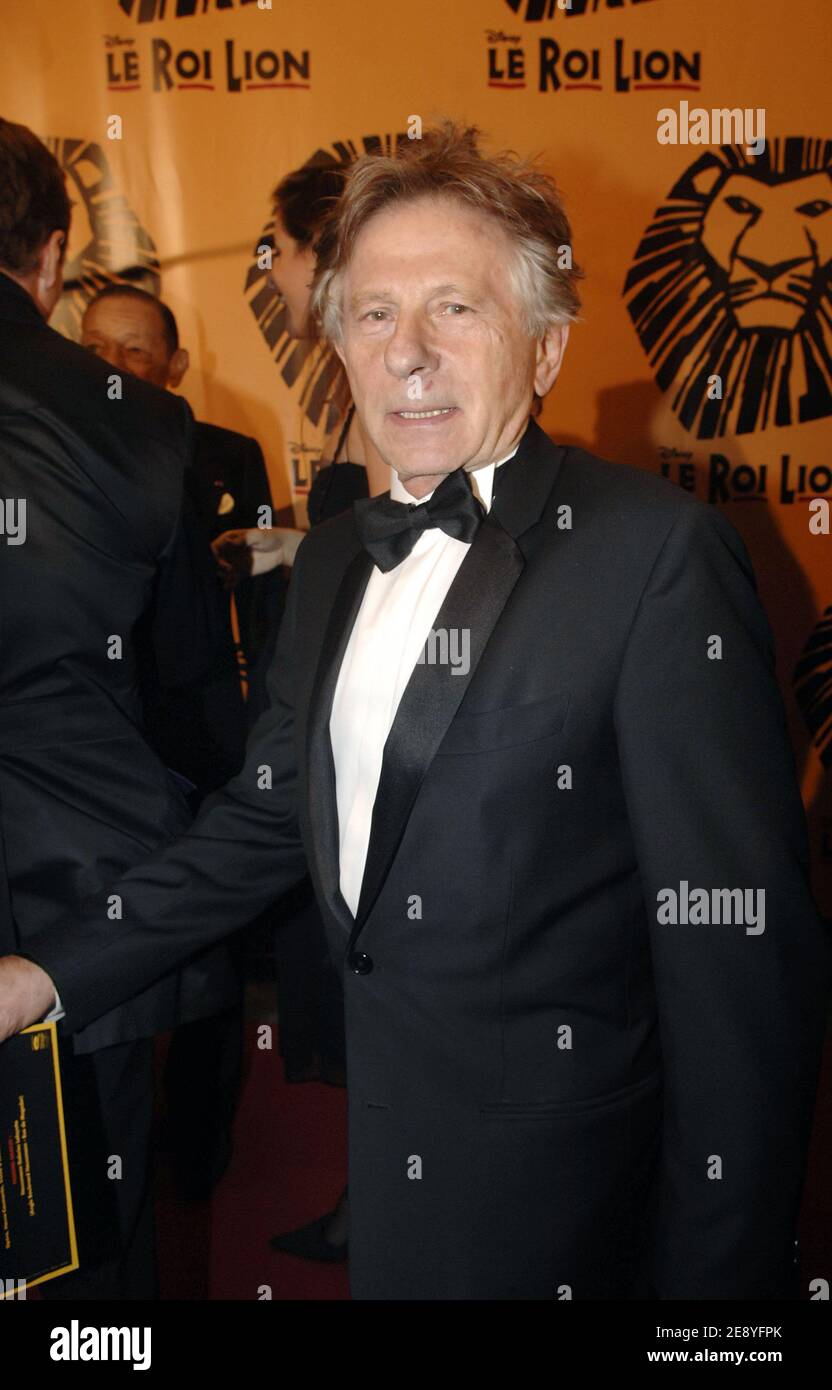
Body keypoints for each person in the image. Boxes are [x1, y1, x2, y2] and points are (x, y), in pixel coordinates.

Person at [3, 118, 830, 1300]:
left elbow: (738, 964)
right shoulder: (337, 556)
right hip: (386, 1163)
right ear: (334, 342)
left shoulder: (654, 558)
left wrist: (721, 1298)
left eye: (456, 307)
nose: (408, 354)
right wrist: (46, 972)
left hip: (572, 1190)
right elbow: (261, 818)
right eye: (374, 315)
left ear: (543, 347)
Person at [0, 118, 237, 1296]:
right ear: (49, 260)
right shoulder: (140, 422)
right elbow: (189, 682)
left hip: (83, 907)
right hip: (84, 910)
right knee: (87, 1259)